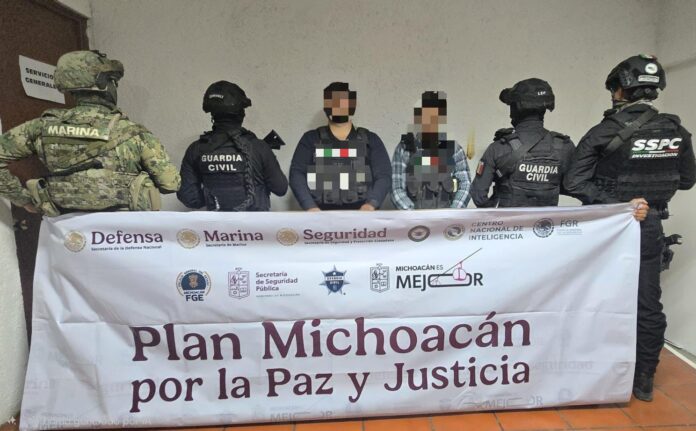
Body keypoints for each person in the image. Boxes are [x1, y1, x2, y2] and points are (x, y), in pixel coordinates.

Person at [564, 54, 695, 402]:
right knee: (647, 302)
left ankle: (594, 371)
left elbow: (573, 182)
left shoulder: (604, 131)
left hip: (607, 229)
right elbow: (686, 180)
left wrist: (619, 203)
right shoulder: (676, 130)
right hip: (649, 225)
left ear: (621, 89)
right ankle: (644, 378)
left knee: (594, 297)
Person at [0, 50, 180, 215]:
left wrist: (24, 200)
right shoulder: (134, 132)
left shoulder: (40, 127)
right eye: (113, 82)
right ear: (104, 84)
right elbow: (170, 183)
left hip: (67, 230)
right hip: (125, 232)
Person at [177, 81, 287, 211]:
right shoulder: (259, 147)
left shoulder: (196, 149)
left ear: (212, 115)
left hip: (214, 223)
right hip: (255, 223)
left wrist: (215, 199)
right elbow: (280, 189)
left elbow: (188, 197)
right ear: (241, 113)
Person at [470, 78, 575, 208]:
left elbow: (479, 196)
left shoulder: (499, 148)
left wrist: (497, 206)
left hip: (508, 220)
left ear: (515, 109)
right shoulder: (564, 147)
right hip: (547, 221)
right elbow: (573, 186)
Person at [289, 82, 391, 211]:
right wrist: (309, 206)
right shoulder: (310, 139)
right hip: (320, 215)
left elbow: (384, 175)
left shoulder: (371, 139)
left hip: (363, 215)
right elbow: (297, 174)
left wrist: (371, 204)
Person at [391, 91, 471, 209]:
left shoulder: (454, 148)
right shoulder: (405, 148)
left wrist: (453, 213)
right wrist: (412, 214)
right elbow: (396, 188)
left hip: (447, 216)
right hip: (413, 216)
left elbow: (465, 184)